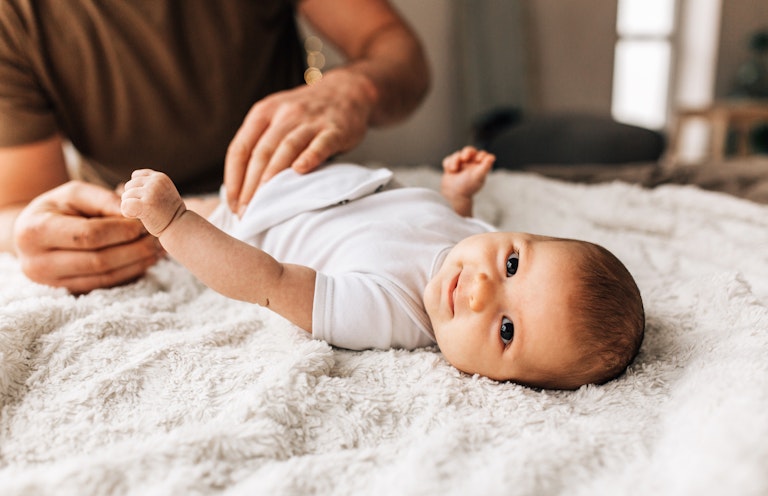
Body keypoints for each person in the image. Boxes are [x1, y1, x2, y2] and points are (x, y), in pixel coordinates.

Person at [120, 146, 645, 390]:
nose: (482, 290)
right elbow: (444, 225)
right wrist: (455, 196)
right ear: (517, 240)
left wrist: (175, 222)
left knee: (122, 214)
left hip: (248, 222)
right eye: (512, 263)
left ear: (505, 382)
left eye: (506, 330)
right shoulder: (473, 240)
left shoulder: (389, 312)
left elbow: (268, 282)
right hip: (300, 174)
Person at [0, 0, 429, 293]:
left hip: (303, 205)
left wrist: (357, 88)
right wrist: (28, 235)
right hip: (143, 246)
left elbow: (401, 55)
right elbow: (17, 205)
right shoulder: (13, 16)